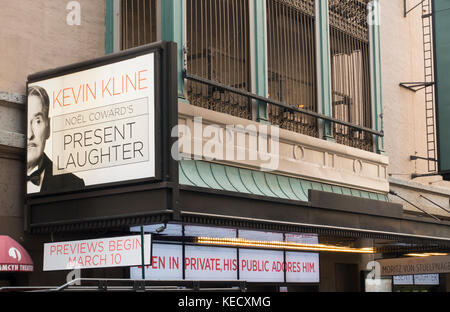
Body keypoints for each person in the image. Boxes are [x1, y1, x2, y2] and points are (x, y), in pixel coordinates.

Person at [27, 85, 85, 194]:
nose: (30, 134)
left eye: (37, 121)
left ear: (48, 127)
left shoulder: (73, 185)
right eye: (24, 122)